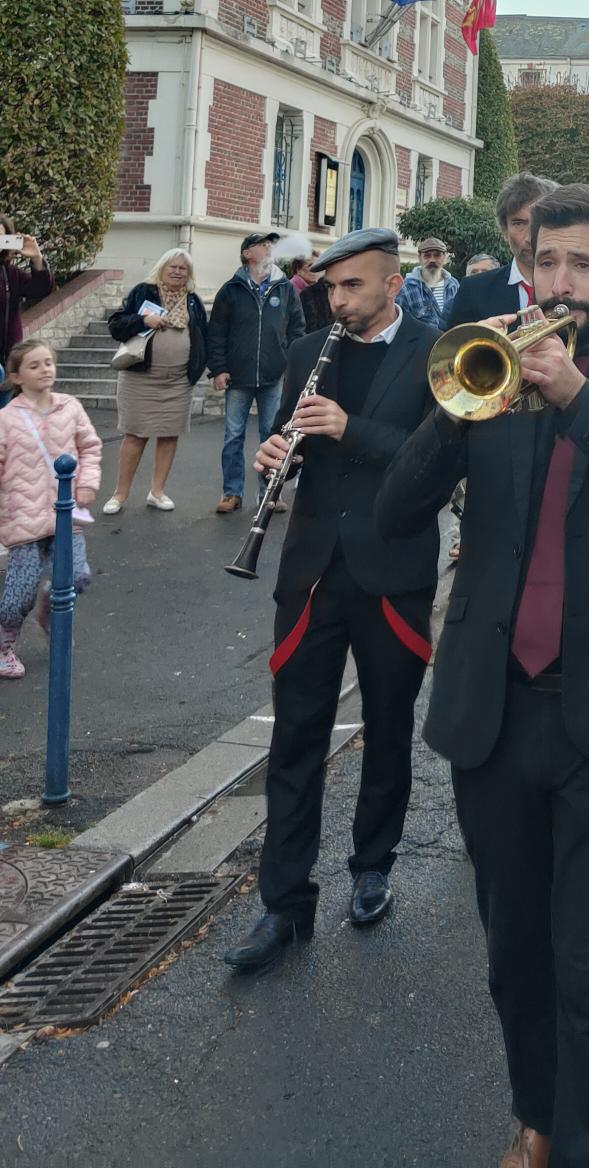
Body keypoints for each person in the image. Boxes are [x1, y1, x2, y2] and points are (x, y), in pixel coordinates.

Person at [377, 185, 589, 1166]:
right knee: (516, 956)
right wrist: (454, 405)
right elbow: (398, 508)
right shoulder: (485, 372)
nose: (557, 282)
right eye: (546, 262)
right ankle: (541, 1114)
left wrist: (575, 394)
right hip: (495, 707)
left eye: (581, 265)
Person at [222, 228, 442, 977]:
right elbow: (293, 439)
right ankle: (284, 904)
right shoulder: (306, 350)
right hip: (313, 570)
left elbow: (435, 463)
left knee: (387, 728)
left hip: (393, 570)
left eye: (351, 288)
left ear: (390, 282)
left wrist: (351, 430)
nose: (336, 301)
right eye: (329, 289)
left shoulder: (436, 353)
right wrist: (272, 459)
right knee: (296, 738)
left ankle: (372, 864)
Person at [0, 339, 100, 678]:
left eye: (48, 362)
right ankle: (4, 646)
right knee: (18, 595)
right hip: (22, 518)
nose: (45, 369)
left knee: (76, 576)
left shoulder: (70, 407)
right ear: (16, 377)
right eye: (34, 365)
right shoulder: (6, 419)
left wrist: (86, 484)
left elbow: (90, 447)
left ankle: (49, 607)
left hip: (66, 514)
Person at [103, 249, 209, 514]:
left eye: (182, 268)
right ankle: (119, 494)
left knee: (169, 434)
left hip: (177, 381)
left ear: (189, 274)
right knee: (135, 435)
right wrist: (142, 320)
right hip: (141, 378)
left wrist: (202, 367)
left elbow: (204, 336)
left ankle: (157, 492)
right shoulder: (143, 292)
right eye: (172, 266)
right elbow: (116, 325)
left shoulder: (193, 301)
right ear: (161, 268)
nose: (177, 271)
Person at [207, 232, 306, 516]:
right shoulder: (231, 290)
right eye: (264, 245)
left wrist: (291, 363)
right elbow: (217, 334)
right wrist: (218, 369)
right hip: (237, 375)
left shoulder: (284, 288)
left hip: (273, 375)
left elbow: (297, 329)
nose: (270, 249)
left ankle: (270, 492)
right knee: (233, 436)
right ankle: (231, 493)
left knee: (272, 435)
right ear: (248, 254)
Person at [453, 173, 559, 325]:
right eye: (519, 223)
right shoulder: (473, 291)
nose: (530, 237)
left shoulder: (575, 288)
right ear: (504, 231)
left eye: (540, 222)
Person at [0, 221, 52, 386]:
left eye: (1, 236)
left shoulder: (9, 273)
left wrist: (37, 258)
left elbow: (40, 289)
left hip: (7, 360)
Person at [397, 235, 460, 332]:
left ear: (445, 257)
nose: (432, 260)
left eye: (437, 255)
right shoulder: (406, 288)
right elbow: (400, 324)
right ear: (420, 258)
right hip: (420, 345)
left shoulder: (454, 285)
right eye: (427, 255)